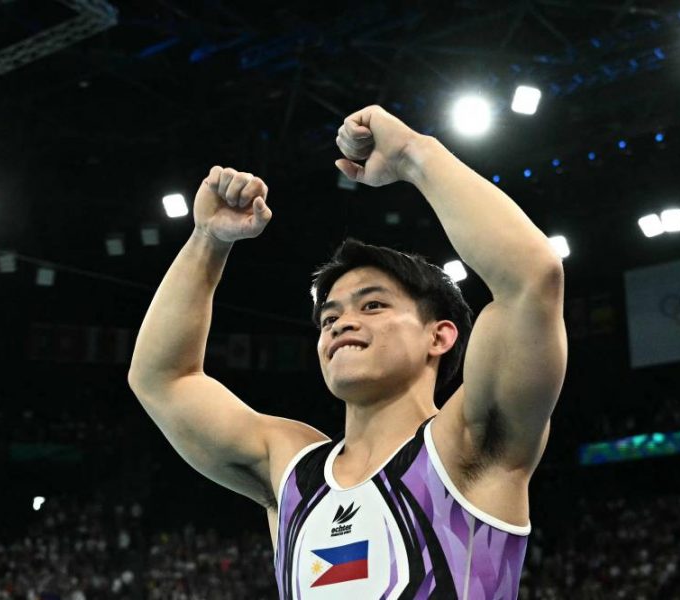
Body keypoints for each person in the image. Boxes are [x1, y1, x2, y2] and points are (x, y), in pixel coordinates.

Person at [128, 104, 568, 599]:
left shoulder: (470, 445)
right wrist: (207, 240)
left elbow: (532, 278)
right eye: (329, 316)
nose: (342, 323)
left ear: (439, 337)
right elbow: (162, 379)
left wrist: (413, 153)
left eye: (373, 305)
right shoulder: (289, 469)